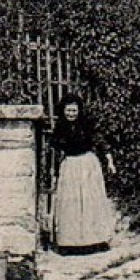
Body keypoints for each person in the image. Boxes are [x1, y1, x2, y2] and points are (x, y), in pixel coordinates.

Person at [51, 92, 117, 253]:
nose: (71, 114)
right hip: (70, 166)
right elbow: (53, 150)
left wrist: (110, 160)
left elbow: (100, 141)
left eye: (74, 111)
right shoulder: (59, 128)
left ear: (79, 111)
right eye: (68, 111)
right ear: (63, 111)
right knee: (71, 203)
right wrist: (53, 170)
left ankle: (95, 240)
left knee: (90, 202)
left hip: (88, 165)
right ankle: (70, 243)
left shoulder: (87, 125)